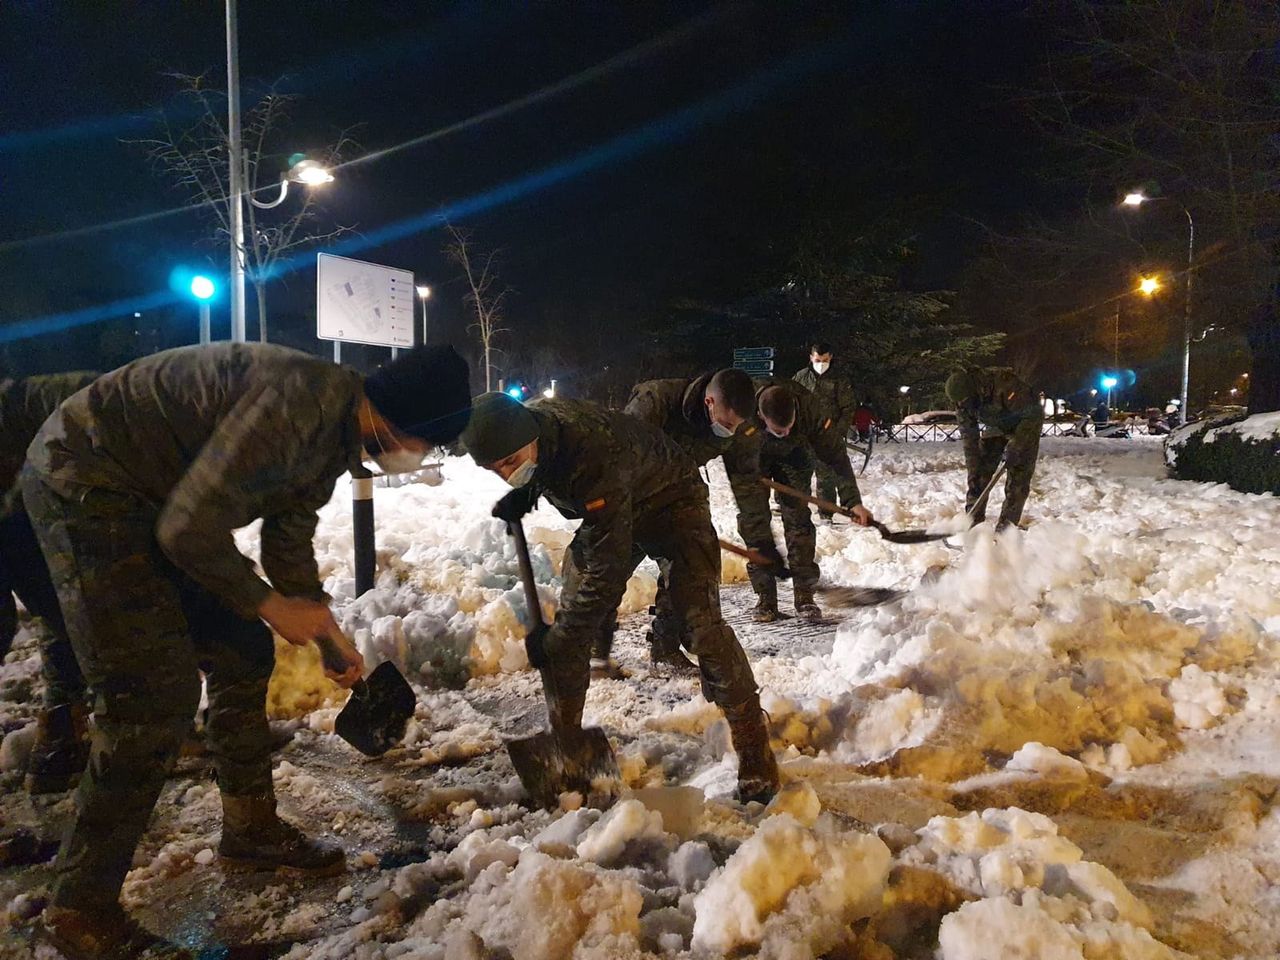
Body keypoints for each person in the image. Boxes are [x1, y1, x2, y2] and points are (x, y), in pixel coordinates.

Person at [23, 342, 471, 960]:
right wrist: (267, 603)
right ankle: (78, 905)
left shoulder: (336, 429)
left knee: (239, 649)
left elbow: (288, 535)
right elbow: (186, 529)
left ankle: (250, 825)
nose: (423, 456)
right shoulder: (296, 408)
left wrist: (323, 631)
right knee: (151, 697)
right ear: (403, 423)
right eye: (431, 443)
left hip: (153, 500)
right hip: (88, 483)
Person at [461, 391, 779, 805]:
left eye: (509, 462)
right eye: (495, 469)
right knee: (570, 617)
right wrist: (525, 492)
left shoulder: (591, 454)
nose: (505, 474)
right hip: (613, 506)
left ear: (528, 435)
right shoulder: (532, 433)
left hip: (672, 502)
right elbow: (552, 475)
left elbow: (608, 571)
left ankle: (753, 742)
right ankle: (567, 740)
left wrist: (566, 636)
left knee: (698, 623)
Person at [619, 368, 783, 674]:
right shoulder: (654, 402)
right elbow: (619, 462)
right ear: (709, 402)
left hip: (679, 493)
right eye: (725, 424)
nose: (729, 431)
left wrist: (762, 543)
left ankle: (664, 648)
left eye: (736, 426)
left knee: (689, 566)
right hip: (631, 495)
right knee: (607, 569)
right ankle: (582, 646)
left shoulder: (738, 426)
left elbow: (747, 486)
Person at [0, 372, 97, 794]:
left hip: (18, 506)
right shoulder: (111, 404)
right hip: (17, 504)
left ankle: (59, 744)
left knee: (66, 608)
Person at [753, 380, 873, 622]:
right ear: (760, 416)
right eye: (779, 431)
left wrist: (853, 500)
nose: (784, 433)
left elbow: (836, 456)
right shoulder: (743, 409)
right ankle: (765, 599)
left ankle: (805, 596)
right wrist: (747, 476)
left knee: (798, 521)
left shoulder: (811, 410)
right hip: (755, 457)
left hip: (796, 457)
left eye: (789, 427)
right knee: (755, 524)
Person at [944, 366, 1044, 531]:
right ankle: (973, 524)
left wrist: (1017, 445)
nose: (963, 405)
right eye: (960, 403)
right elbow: (969, 438)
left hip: (1025, 424)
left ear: (974, 391)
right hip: (997, 426)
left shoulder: (1004, 384)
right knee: (979, 472)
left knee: (1017, 478)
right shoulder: (963, 401)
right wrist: (974, 467)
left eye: (965, 401)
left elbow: (1033, 413)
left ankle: (1006, 530)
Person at [792, 341, 858, 521]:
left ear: (831, 358)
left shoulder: (839, 379)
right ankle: (796, 511)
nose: (821, 363)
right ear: (811, 358)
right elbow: (791, 402)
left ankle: (826, 514)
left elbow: (848, 408)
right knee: (799, 474)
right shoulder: (801, 377)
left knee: (826, 477)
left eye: (825, 359)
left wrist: (839, 430)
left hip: (828, 435)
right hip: (803, 434)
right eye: (818, 359)